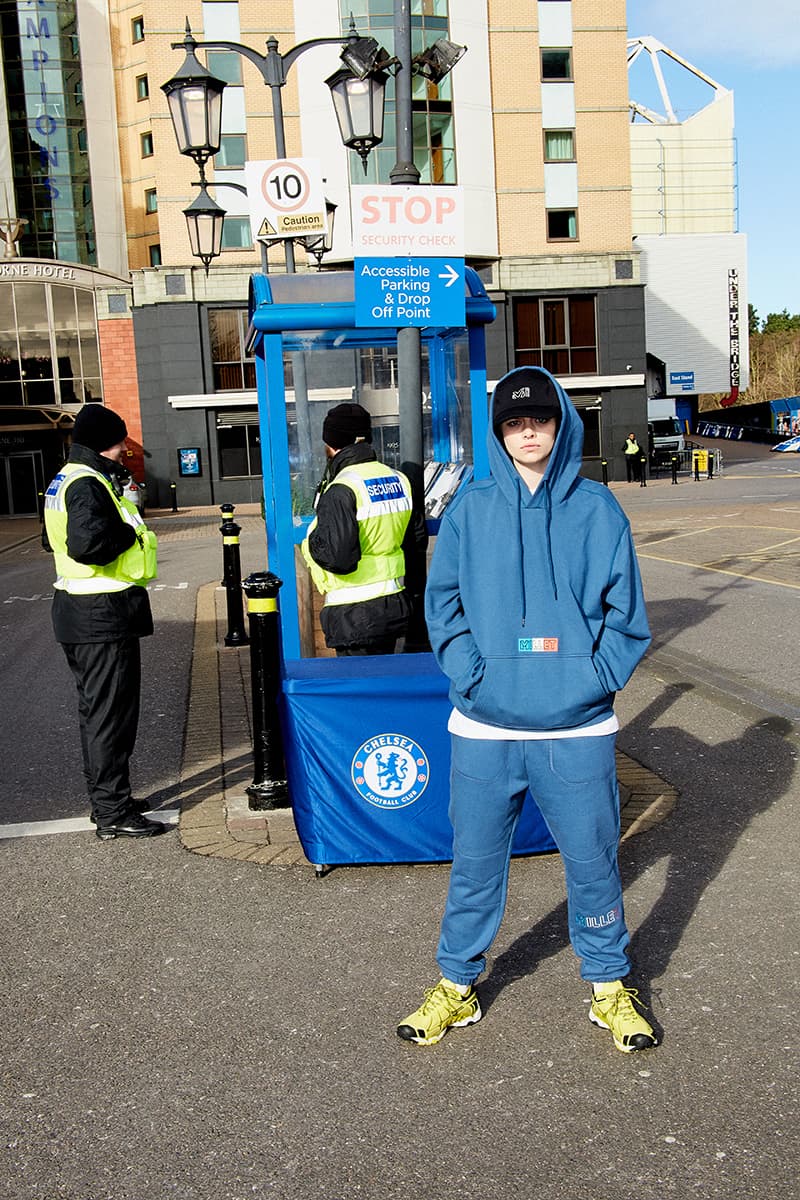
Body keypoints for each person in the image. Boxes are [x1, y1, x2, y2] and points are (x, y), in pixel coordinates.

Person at [397, 366, 658, 1054]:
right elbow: (442, 605)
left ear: (561, 422)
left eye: (539, 418)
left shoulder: (598, 509)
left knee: (594, 861)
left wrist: (592, 678)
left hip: (577, 727)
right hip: (484, 726)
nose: (528, 431)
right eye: (514, 422)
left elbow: (627, 618)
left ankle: (609, 987)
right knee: (476, 863)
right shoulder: (472, 508)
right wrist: (472, 675)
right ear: (499, 432)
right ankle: (456, 984)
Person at [43, 404, 164, 841]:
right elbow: (89, 545)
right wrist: (130, 534)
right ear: (100, 443)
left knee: (103, 712)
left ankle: (113, 799)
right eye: (117, 443)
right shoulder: (87, 483)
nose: (121, 451)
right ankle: (112, 811)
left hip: (87, 612)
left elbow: (48, 539)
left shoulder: (68, 479)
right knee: (108, 716)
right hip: (100, 614)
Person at [301, 402, 426, 656]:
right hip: (392, 604)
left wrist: (313, 541)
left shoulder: (342, 488)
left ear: (333, 445)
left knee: (359, 691)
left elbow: (339, 559)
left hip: (352, 614)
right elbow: (416, 540)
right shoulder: (398, 479)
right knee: (384, 684)